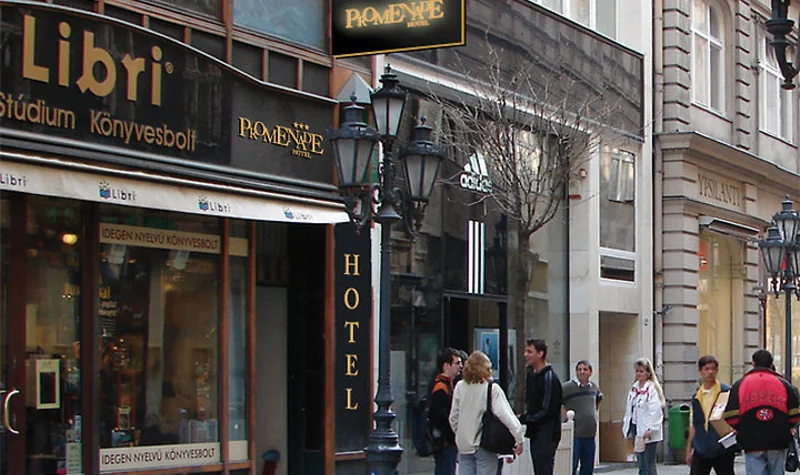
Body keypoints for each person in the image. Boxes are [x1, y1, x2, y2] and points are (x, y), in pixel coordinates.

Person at [723, 349, 800, 475]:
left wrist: (743, 429)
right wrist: (785, 427)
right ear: (771, 364)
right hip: (778, 441)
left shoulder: (740, 384)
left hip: (751, 442)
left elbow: (730, 416)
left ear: (753, 363)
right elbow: (795, 415)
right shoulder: (784, 384)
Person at [449, 351, 524, 475]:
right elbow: (506, 415)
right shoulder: (491, 388)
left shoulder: (460, 387)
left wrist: (461, 434)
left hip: (464, 446)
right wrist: (518, 438)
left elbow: (453, 418)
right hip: (484, 444)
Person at [684, 355, 736, 475]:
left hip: (722, 447)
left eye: (713, 369)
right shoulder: (697, 396)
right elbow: (694, 424)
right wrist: (689, 449)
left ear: (717, 370)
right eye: (706, 369)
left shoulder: (726, 392)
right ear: (700, 372)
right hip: (701, 447)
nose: (710, 372)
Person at [521, 339, 563, 475]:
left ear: (540, 354)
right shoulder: (534, 375)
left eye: (529, 351)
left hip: (546, 433)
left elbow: (547, 410)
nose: (526, 355)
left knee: (543, 469)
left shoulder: (549, 378)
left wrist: (525, 418)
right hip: (537, 432)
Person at [622, 357, 665, 475]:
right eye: (637, 371)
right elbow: (629, 409)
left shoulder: (652, 388)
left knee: (648, 463)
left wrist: (650, 428)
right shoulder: (634, 388)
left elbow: (655, 410)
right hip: (636, 428)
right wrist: (626, 427)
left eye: (641, 371)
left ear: (648, 373)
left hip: (648, 431)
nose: (639, 374)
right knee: (641, 462)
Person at [562, 360, 603, 475]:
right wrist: (565, 415)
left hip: (590, 435)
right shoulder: (568, 387)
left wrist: (592, 413)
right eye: (579, 369)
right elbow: (557, 402)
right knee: (572, 466)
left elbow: (598, 400)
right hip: (575, 434)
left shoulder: (594, 387)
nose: (582, 372)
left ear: (590, 372)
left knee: (588, 468)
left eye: (585, 369)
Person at [429, 348, 462, 475]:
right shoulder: (441, 387)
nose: (460, 366)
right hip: (445, 442)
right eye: (457, 363)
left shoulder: (448, 385)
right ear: (446, 366)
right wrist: (451, 432)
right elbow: (439, 416)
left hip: (447, 440)